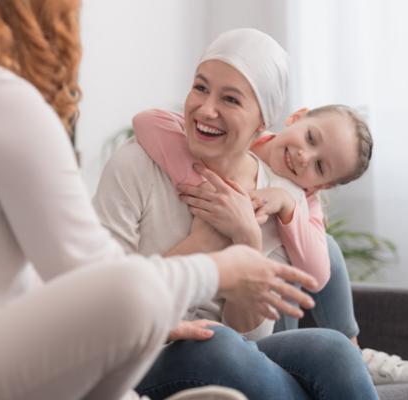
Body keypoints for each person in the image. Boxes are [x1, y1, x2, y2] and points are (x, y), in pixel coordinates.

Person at [0, 2, 324, 400]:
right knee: (143, 310)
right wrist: (223, 268)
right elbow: (105, 286)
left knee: (323, 350)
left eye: (232, 98)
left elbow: (32, 285)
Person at [94, 28, 379, 399]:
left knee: (336, 351)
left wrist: (247, 239)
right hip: (138, 354)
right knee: (218, 345)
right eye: (200, 88)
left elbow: (251, 336)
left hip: (232, 351)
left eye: (230, 99)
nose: (206, 109)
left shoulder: (276, 197)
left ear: (263, 122)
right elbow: (101, 301)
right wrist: (201, 244)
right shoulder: (136, 163)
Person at [132, 86, 408, 388]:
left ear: (320, 186)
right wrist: (205, 183)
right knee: (324, 247)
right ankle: (347, 354)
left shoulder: (301, 195)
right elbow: (146, 120)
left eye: (319, 166)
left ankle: (351, 350)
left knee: (324, 247)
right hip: (225, 320)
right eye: (310, 138)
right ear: (296, 117)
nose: (304, 156)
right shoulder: (236, 140)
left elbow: (317, 274)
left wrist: (287, 204)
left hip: (267, 320)